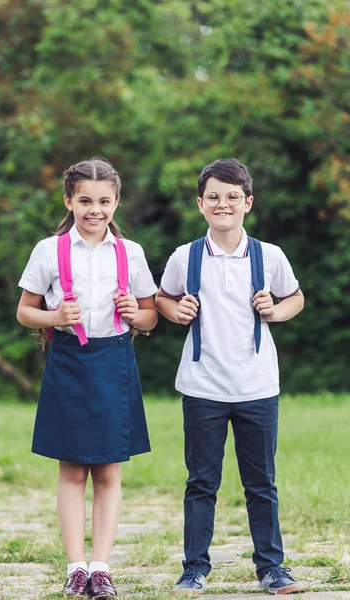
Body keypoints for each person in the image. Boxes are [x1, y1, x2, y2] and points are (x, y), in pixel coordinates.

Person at [156, 159, 305, 596]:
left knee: (261, 482)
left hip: (257, 385)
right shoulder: (186, 256)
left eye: (233, 196)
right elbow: (163, 298)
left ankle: (272, 569)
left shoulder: (269, 255)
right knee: (201, 482)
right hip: (203, 386)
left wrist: (276, 311)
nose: (224, 203)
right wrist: (176, 310)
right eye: (215, 197)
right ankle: (194, 567)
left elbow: (295, 297)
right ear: (201, 204)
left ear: (248, 203)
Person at [17, 158, 158, 597]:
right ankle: (75, 567)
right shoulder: (49, 250)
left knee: (109, 473)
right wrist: (55, 315)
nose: (94, 210)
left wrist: (137, 313)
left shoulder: (129, 252)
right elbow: (24, 311)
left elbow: (151, 315)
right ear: (69, 201)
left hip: (114, 362)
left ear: (116, 202)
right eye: (84, 201)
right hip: (68, 361)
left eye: (103, 201)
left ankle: (102, 567)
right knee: (73, 471)